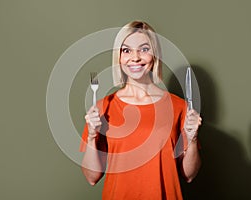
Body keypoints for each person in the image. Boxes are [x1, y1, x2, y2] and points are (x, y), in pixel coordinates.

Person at [80, 20, 202, 200]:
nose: (135, 57)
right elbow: (92, 177)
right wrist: (91, 136)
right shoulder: (102, 108)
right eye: (126, 50)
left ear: (155, 55)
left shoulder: (179, 107)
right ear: (119, 57)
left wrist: (192, 139)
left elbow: (189, 175)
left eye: (144, 49)